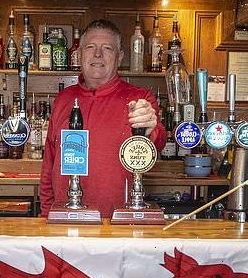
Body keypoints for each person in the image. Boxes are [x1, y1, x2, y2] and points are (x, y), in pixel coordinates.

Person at [40, 19, 166, 217]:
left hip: (118, 222)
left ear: (119, 56)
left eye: (107, 48)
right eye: (90, 47)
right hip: (65, 219)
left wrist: (149, 128)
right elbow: (49, 163)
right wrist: (46, 215)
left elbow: (157, 142)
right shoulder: (64, 99)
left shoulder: (139, 99)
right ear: (79, 54)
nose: (97, 54)